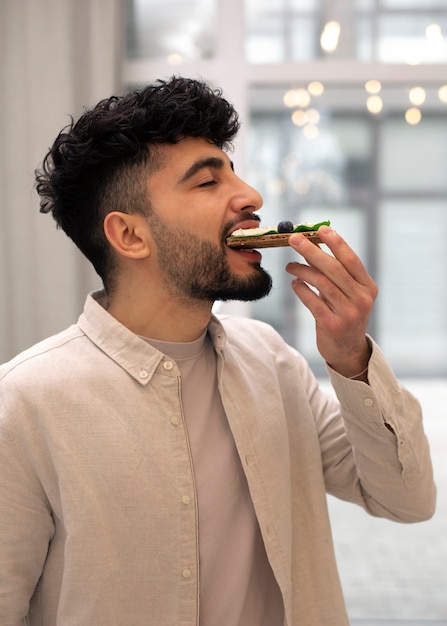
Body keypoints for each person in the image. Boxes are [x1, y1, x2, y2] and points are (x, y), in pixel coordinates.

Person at [0, 76, 435, 626]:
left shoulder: (272, 361)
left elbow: (407, 499)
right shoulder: (24, 404)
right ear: (130, 235)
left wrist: (351, 356)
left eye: (233, 170)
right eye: (207, 182)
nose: (251, 195)